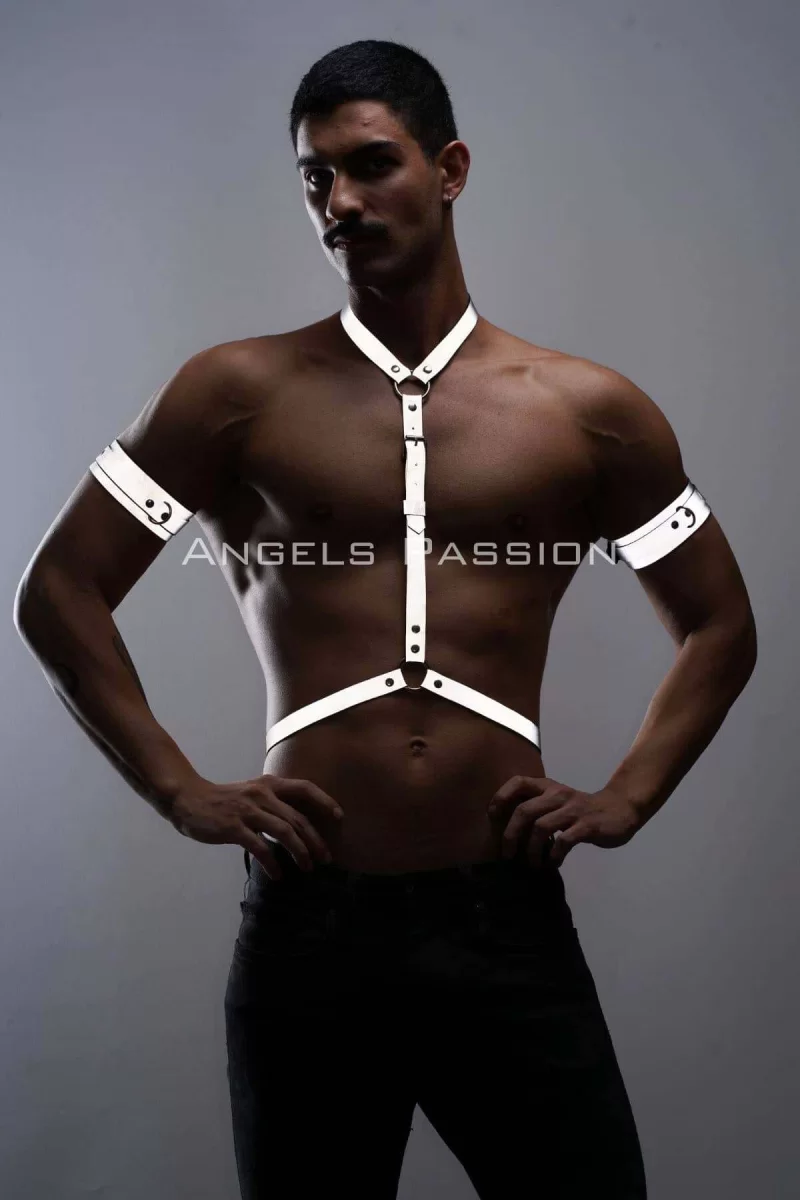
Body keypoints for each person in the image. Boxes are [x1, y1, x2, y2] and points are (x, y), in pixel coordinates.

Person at [14, 37, 757, 1200]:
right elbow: (59, 588)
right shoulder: (233, 395)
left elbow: (718, 623)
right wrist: (175, 788)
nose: (339, 203)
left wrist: (628, 795)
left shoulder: (587, 413)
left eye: (369, 165)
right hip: (310, 926)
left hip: (504, 919)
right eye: (314, 177)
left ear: (448, 169)